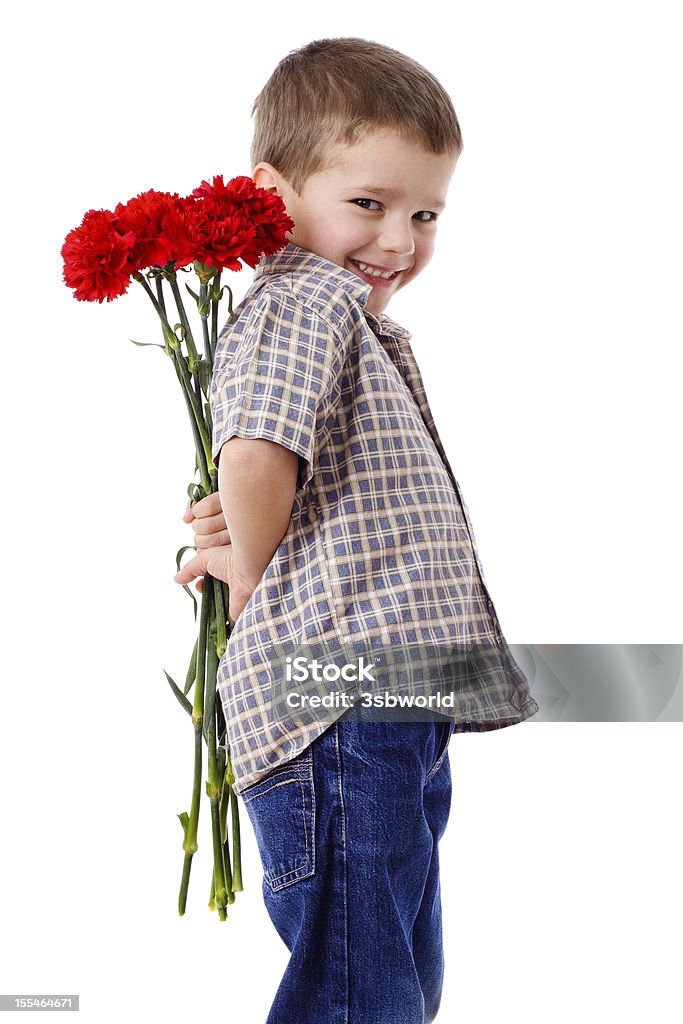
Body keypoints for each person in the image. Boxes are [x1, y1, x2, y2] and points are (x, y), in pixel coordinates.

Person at [173, 37, 539, 1024]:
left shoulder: (354, 322)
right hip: (334, 696)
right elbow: (254, 456)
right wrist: (251, 581)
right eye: (368, 205)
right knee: (356, 978)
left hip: (388, 696)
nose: (399, 239)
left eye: (424, 213)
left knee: (393, 968)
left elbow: (298, 483)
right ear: (276, 192)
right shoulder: (301, 302)